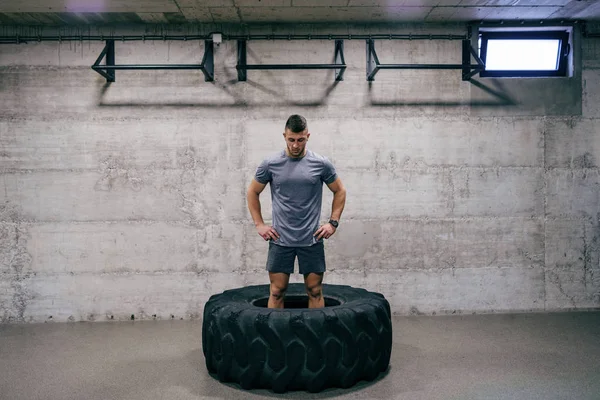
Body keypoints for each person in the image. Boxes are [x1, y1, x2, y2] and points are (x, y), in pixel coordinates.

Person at [247, 114, 346, 309]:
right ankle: (275, 338)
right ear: (284, 136)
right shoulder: (270, 164)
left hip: (311, 239)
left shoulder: (321, 164)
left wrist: (332, 223)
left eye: (300, 140)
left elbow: (340, 190)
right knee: (276, 291)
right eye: (291, 139)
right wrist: (259, 224)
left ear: (308, 136)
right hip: (280, 240)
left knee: (315, 290)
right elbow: (252, 191)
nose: (295, 145)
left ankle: (317, 337)